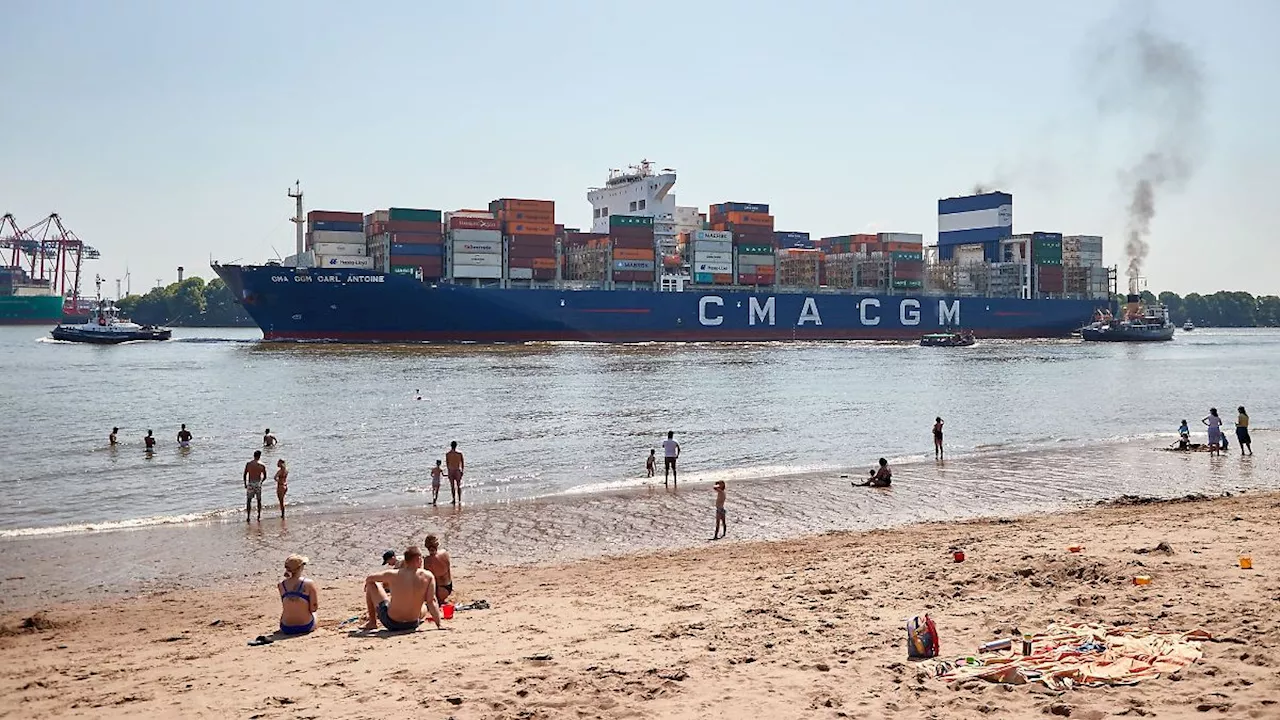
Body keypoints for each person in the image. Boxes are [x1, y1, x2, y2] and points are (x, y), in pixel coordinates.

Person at [361, 546, 444, 632]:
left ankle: (372, 622)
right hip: (412, 623)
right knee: (424, 607)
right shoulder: (429, 576)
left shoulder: (393, 574)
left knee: (372, 584)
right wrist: (439, 624)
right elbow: (431, 601)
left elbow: (370, 578)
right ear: (419, 559)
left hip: (392, 623)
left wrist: (368, 585)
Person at [278, 554, 318, 635]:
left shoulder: (281, 585)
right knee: (314, 614)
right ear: (301, 568)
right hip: (305, 626)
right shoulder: (309, 583)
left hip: (286, 627)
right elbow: (313, 608)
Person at [424, 534, 453, 606]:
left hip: (440, 591)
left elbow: (427, 578)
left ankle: (438, 600)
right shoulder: (444, 553)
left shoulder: (428, 560)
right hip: (448, 586)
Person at [244, 450, 268, 522]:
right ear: (259, 456)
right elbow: (265, 476)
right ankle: (259, 515)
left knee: (249, 500)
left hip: (250, 483)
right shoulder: (262, 465)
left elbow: (245, 474)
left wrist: (245, 483)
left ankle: (248, 516)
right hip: (258, 483)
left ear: (254, 455)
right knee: (259, 500)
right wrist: (261, 482)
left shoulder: (249, 464)